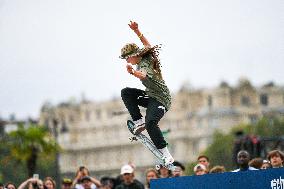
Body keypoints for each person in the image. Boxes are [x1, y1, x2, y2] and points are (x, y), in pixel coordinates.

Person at [120, 21, 174, 166]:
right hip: (150, 96)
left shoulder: (147, 62)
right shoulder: (146, 54)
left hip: (161, 99)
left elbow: (143, 75)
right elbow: (147, 44)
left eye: (127, 58)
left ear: (133, 55)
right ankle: (138, 121)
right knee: (126, 92)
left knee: (151, 123)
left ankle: (167, 155)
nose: (127, 61)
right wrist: (137, 30)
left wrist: (133, 73)